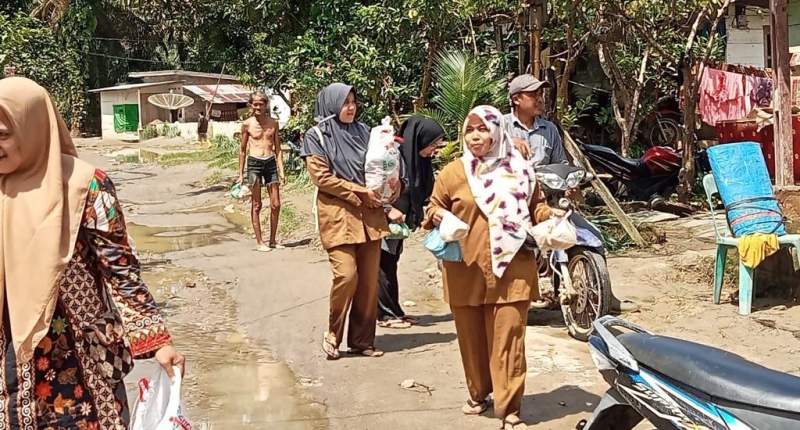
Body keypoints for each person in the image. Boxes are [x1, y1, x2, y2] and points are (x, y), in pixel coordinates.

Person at [0, 77, 185, 429]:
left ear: (32, 127)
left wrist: (157, 341)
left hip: (78, 362)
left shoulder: (86, 187)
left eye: (2, 134)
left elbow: (121, 271)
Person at [423, 105, 552, 430]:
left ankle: (509, 408)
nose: (476, 135)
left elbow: (536, 205)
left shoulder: (519, 168)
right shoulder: (453, 172)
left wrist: (553, 219)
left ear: (497, 131)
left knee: (509, 338)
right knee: (472, 340)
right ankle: (479, 393)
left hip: (513, 268)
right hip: (466, 268)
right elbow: (432, 206)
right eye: (470, 129)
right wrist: (439, 217)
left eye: (483, 128)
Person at [302, 83, 395, 360]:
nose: (351, 107)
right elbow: (322, 178)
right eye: (345, 103)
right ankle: (333, 332)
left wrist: (391, 183)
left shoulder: (366, 132)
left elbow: (381, 163)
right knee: (346, 275)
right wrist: (358, 193)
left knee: (368, 282)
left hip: (371, 215)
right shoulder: (316, 135)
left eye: (353, 101)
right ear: (331, 105)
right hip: (339, 215)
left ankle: (361, 341)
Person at [377, 117, 444, 328]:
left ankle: (395, 310)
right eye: (433, 144)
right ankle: (385, 315)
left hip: (400, 221)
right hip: (386, 219)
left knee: (391, 262)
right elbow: (378, 188)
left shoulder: (419, 162)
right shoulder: (395, 158)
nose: (435, 149)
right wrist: (388, 210)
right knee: (384, 264)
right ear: (420, 140)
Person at [239, 91, 286, 252]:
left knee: (276, 204)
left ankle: (272, 240)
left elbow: (278, 148)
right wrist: (240, 174)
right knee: (257, 204)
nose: (258, 106)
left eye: (261, 103)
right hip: (254, 164)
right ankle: (260, 242)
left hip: (270, 163)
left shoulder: (273, 123)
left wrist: (282, 170)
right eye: (255, 104)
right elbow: (243, 150)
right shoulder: (247, 124)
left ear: (266, 104)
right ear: (251, 105)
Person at [505, 74, 568, 166]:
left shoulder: (549, 129)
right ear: (516, 99)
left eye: (540, 94)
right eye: (533, 95)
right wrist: (507, 143)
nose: (540, 100)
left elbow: (561, 165)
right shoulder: (499, 125)